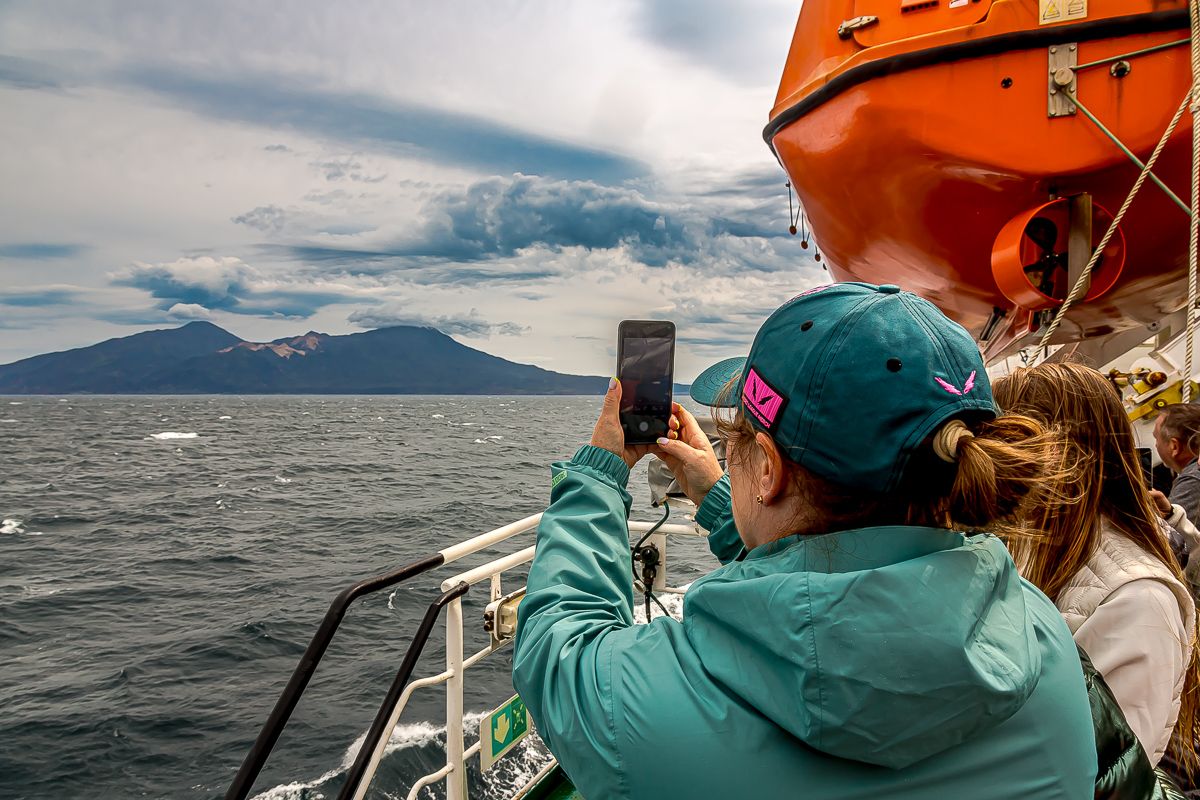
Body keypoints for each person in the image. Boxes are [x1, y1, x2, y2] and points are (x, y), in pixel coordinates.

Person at [513, 283, 1096, 799]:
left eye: (736, 438)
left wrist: (599, 471)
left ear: (767, 469)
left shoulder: (647, 710)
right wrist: (722, 500)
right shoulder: (1039, 633)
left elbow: (557, 649)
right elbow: (846, 597)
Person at [993, 363, 1199, 773]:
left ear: (1054, 455)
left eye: (999, 444)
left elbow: (1101, 772)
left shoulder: (1136, 598)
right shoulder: (1023, 548)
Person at [1157, 404, 1200, 526]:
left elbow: (1169, 534)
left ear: (1174, 446)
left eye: (1156, 438)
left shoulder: (1192, 480)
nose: (1156, 445)